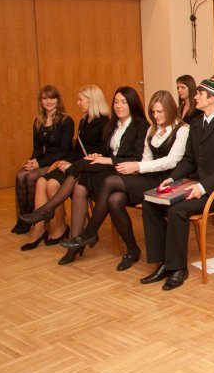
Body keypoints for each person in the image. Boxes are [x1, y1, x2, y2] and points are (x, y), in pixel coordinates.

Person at [60, 90, 190, 270]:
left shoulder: (182, 129)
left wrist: (136, 167)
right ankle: (132, 249)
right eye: (153, 112)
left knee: (110, 181)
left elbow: (171, 161)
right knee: (115, 199)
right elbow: (146, 158)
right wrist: (136, 168)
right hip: (149, 175)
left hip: (168, 180)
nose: (155, 116)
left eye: (160, 112)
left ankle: (90, 231)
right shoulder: (152, 129)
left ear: (169, 110)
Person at [20, 87, 150, 265]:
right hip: (111, 174)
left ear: (132, 104)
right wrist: (98, 156)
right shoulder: (113, 124)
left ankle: (49, 211)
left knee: (82, 168)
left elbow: (136, 158)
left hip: (127, 172)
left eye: (124, 102)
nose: (119, 106)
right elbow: (105, 150)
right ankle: (75, 244)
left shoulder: (141, 125)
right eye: (116, 102)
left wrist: (106, 160)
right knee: (82, 186)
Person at [141, 79, 214, 290]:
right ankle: (163, 263)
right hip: (193, 185)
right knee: (151, 203)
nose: (194, 97)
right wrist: (173, 178)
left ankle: (178, 268)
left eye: (199, 94)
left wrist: (203, 187)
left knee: (177, 210)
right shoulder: (196, 124)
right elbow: (188, 159)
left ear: (211, 99)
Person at [22, 85, 109, 251]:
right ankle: (39, 229)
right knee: (41, 181)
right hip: (76, 164)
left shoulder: (104, 123)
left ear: (91, 101)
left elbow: (99, 153)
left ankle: (60, 226)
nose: (77, 103)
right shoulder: (84, 121)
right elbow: (77, 149)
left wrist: (72, 164)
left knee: (52, 184)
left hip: (89, 169)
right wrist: (66, 161)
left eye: (80, 100)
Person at [13, 85, 75, 236]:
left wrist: (39, 164)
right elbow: (37, 148)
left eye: (52, 98)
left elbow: (64, 150)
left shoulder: (66, 120)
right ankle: (24, 218)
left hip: (58, 160)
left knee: (32, 177)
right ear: (41, 101)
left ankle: (36, 220)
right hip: (43, 159)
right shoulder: (38, 120)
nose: (48, 101)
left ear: (57, 100)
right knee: (21, 175)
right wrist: (32, 161)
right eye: (45, 98)